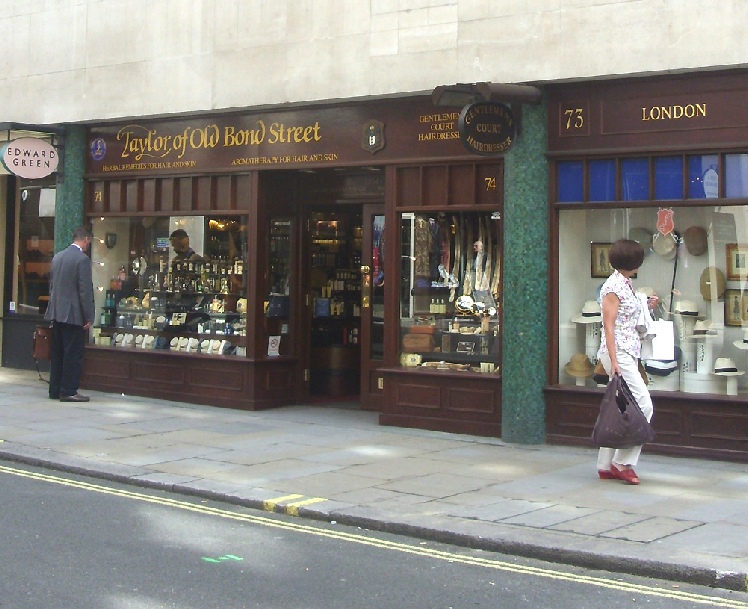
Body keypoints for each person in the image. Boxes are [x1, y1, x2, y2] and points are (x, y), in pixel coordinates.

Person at [596, 238, 658, 485]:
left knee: (621, 406)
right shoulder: (613, 287)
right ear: (633, 262)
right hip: (619, 352)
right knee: (643, 403)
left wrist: (647, 305)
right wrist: (614, 360)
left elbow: (627, 317)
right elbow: (608, 326)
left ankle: (604, 464)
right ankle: (622, 460)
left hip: (627, 351)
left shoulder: (624, 284)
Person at [45, 226, 95, 402]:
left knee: (57, 353)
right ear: (86, 240)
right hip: (74, 315)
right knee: (73, 354)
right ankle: (69, 390)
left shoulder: (58, 257)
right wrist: (89, 315)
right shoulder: (82, 260)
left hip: (57, 313)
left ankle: (55, 389)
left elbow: (53, 286)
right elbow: (85, 290)